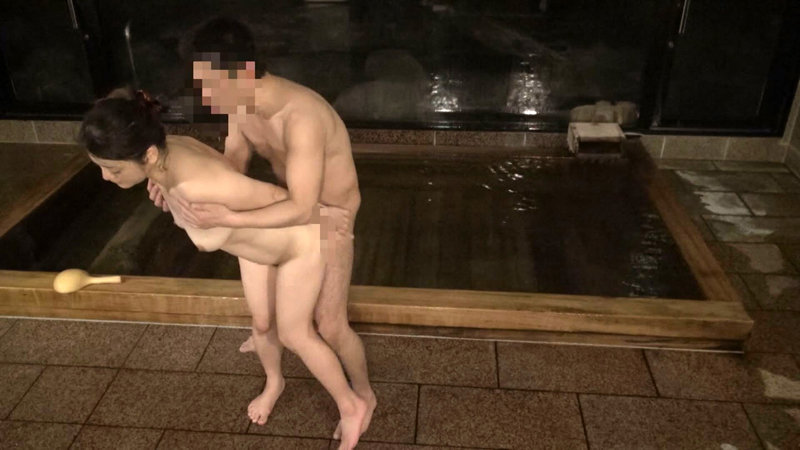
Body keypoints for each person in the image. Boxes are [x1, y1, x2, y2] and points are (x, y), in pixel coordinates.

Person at [79, 89, 367, 450]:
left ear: (147, 155)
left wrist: (325, 217)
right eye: (102, 167)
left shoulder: (200, 185)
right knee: (262, 323)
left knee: (296, 334)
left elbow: (275, 196)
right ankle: (275, 382)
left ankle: (352, 405)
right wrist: (167, 196)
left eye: (113, 169)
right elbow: (221, 171)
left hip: (299, 246)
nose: (106, 177)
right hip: (255, 246)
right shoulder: (167, 152)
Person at [148, 17, 376, 438]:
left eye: (211, 85)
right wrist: (174, 186)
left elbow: (305, 206)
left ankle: (363, 397)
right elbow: (234, 160)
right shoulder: (239, 102)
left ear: (245, 72)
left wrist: (229, 218)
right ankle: (274, 379)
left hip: (328, 219)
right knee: (264, 320)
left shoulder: (301, 116)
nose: (205, 96)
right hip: (281, 207)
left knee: (329, 324)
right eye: (202, 84)